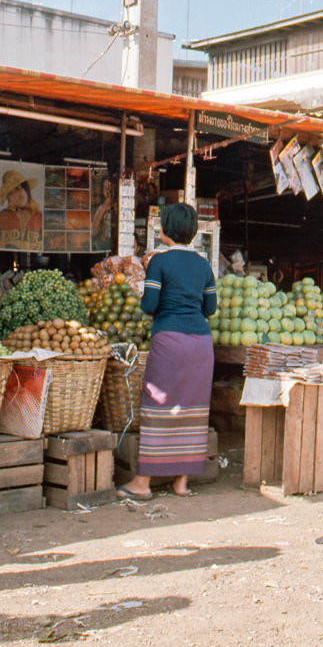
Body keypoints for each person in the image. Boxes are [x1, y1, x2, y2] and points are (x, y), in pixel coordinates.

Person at [117, 203, 216, 500]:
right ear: (194, 232)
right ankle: (181, 483)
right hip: (201, 344)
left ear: (163, 230)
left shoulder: (159, 262)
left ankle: (143, 483)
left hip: (169, 342)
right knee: (191, 409)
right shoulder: (203, 264)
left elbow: (149, 305)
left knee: (158, 405)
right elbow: (210, 308)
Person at [0, 169, 42, 249]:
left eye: (18, 188)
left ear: (26, 189)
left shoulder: (40, 216)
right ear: (8, 198)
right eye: (10, 193)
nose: (16, 196)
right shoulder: (3, 216)